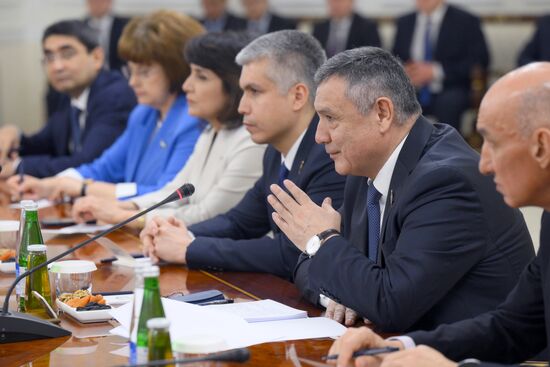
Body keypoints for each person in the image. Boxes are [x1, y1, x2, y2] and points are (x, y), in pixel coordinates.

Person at [267, 46, 534, 332]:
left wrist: (322, 240)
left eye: (331, 118)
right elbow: (305, 266)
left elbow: (391, 303)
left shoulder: (447, 182)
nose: (319, 136)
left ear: (382, 113)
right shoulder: (363, 168)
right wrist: (340, 292)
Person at [326, 62, 550, 367]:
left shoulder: (449, 177)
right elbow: (512, 326)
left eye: (493, 144)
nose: (483, 164)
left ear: (542, 146)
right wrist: (398, 346)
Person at [139, 30, 346, 280]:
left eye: (254, 92)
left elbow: (295, 252)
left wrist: (190, 248)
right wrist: (180, 232)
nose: (242, 107)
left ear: (298, 96)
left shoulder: (328, 154)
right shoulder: (274, 152)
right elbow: (240, 222)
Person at [71, 31, 265, 228]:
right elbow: (174, 193)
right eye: (190, 74)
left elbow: (208, 215)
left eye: (202, 77)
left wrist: (124, 217)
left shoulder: (249, 142)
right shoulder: (211, 132)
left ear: (233, 85)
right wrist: (125, 206)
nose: (187, 85)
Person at [7, 10, 205, 201]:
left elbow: (166, 195)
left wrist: (86, 188)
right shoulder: (143, 113)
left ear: (175, 69)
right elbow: (104, 167)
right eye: (130, 71)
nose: (132, 82)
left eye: (144, 72)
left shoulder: (192, 119)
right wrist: (52, 185)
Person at [0, 20, 136, 179]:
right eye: (49, 57)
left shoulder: (115, 95)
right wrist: (15, 137)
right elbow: (44, 144)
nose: (57, 66)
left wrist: (18, 166)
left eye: (67, 54)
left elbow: (88, 162)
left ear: (97, 57)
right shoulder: (65, 94)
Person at [392, 0, 489, 131]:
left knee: (448, 103)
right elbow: (394, 57)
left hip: (450, 87)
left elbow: (479, 60)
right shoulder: (404, 22)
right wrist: (405, 71)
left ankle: (449, 150)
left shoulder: (465, 21)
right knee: (396, 101)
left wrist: (435, 72)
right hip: (413, 89)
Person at [46, 0, 130, 117]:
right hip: (87, 82)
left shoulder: (126, 25)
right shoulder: (76, 27)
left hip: (118, 81)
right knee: (55, 88)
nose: (96, 3)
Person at [313, 0, 381, 58]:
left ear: (351, 2)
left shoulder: (367, 28)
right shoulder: (319, 28)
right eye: (332, 0)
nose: (336, 4)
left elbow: (374, 58)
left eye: (340, 1)